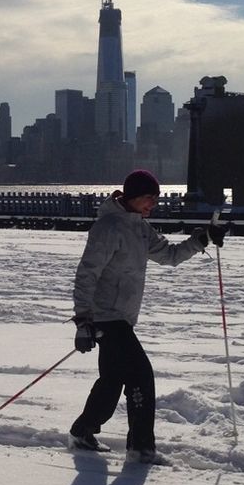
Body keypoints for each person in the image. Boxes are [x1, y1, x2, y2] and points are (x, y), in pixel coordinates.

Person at [69, 169, 225, 465]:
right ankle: (141, 448)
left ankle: (82, 431)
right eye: (148, 198)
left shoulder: (140, 227)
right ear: (132, 196)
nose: (152, 204)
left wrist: (203, 238)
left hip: (123, 318)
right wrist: (83, 321)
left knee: (112, 380)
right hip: (105, 317)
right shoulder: (109, 227)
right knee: (141, 375)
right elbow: (86, 274)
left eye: (155, 199)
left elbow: (169, 255)